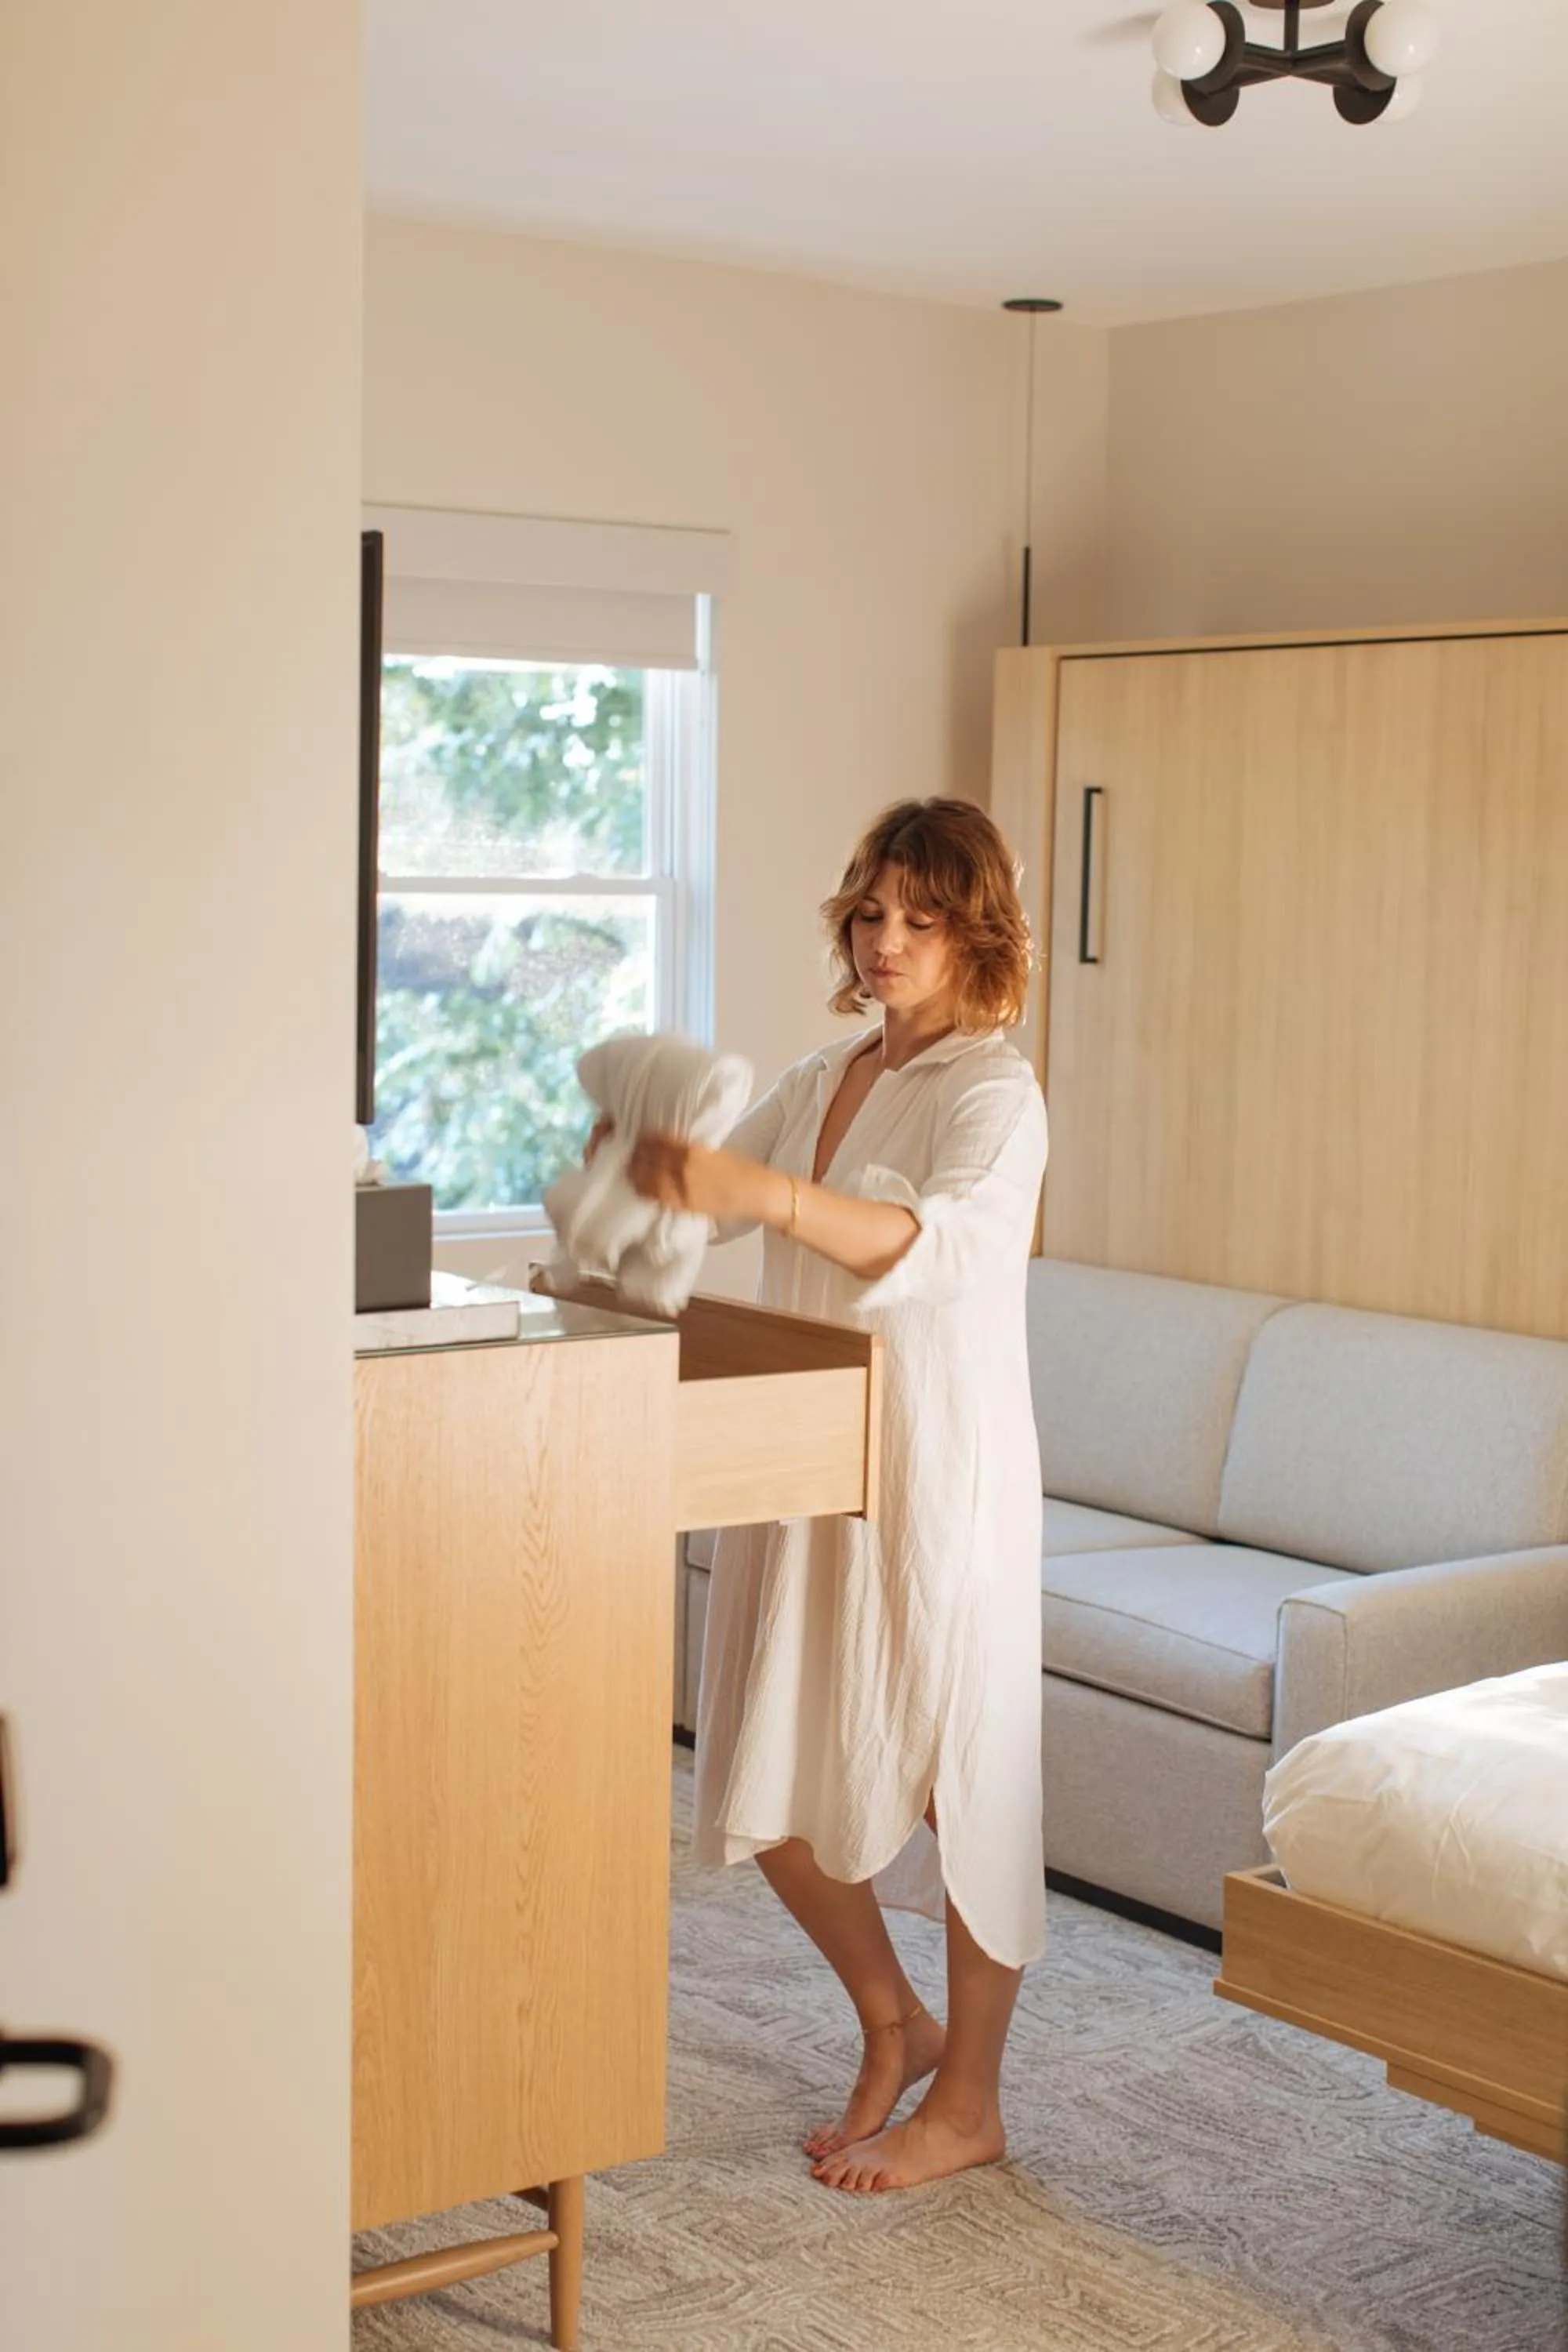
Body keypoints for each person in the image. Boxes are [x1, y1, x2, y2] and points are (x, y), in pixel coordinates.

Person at [625, 797, 1048, 2195]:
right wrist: (658, 1179)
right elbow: (714, 1190)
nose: (885, 942)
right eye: (870, 914)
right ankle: (895, 2024)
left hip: (938, 1474)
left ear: (974, 930)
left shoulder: (996, 1091)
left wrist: (767, 1196)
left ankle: (970, 2099)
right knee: (775, 1767)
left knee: (957, 1785)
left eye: (920, 920)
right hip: (811, 1454)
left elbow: (927, 1242)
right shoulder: (826, 1073)